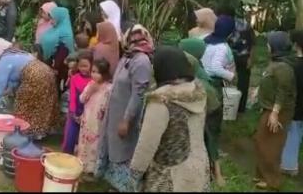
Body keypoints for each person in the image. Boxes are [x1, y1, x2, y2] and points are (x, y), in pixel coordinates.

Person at [130, 46, 210, 192]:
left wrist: (135, 173)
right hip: (198, 166)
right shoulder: (199, 92)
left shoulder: (161, 101)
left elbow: (147, 144)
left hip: (168, 175)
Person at [96, 24, 154, 192]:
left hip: (126, 116)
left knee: (125, 151)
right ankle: (116, 186)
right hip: (116, 112)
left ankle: (126, 188)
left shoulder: (141, 61)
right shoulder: (128, 57)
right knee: (114, 148)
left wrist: (127, 120)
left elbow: (138, 93)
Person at [0, 38, 60, 139]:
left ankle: (25, 132)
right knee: (43, 102)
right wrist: (9, 89)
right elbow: (16, 76)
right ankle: (42, 131)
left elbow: (1, 83)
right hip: (47, 72)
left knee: (23, 102)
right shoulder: (20, 53)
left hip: (35, 76)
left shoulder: (5, 59)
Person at [254, 31, 297, 190]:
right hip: (269, 108)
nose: (266, 46)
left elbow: (283, 91)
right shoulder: (276, 63)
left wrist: (275, 113)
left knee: (271, 145)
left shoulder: (284, 67)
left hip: (278, 111)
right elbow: (271, 82)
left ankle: (272, 180)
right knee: (261, 141)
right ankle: (262, 174)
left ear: (275, 46)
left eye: (269, 43)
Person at [200, 15, 235, 186]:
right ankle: (215, 169)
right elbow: (215, 67)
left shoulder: (203, 40)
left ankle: (209, 156)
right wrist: (231, 75)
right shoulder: (222, 47)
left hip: (199, 83)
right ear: (229, 32)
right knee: (213, 126)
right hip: (212, 86)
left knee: (203, 124)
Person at [77, 59, 113, 176]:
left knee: (95, 143)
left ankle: (93, 168)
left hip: (99, 121)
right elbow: (81, 99)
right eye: (92, 71)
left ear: (104, 73)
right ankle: (82, 164)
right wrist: (90, 91)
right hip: (87, 119)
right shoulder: (90, 84)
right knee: (84, 142)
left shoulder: (109, 88)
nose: (94, 74)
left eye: (97, 72)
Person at [281, 30, 303, 177]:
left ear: (296, 45)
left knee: (293, 133)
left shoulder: (293, 66)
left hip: (297, 106)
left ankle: (289, 166)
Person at [62, 50, 93, 154]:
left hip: (89, 112)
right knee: (70, 137)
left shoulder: (94, 80)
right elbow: (72, 96)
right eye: (81, 66)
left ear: (92, 65)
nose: (83, 69)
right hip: (74, 111)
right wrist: (73, 113)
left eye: (86, 66)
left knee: (85, 139)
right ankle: (67, 157)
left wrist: (85, 115)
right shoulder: (74, 78)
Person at [40, 6, 76, 93]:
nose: (51, 22)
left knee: (57, 91)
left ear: (59, 18)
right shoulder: (56, 29)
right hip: (51, 65)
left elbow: (63, 52)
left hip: (60, 69)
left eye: (53, 19)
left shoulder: (65, 34)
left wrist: (55, 67)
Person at [226, 11, 255, 113]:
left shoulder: (223, 23)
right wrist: (251, 58)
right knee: (243, 82)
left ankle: (226, 104)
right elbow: (252, 43)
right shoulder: (246, 25)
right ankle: (240, 107)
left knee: (225, 80)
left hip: (228, 56)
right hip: (244, 56)